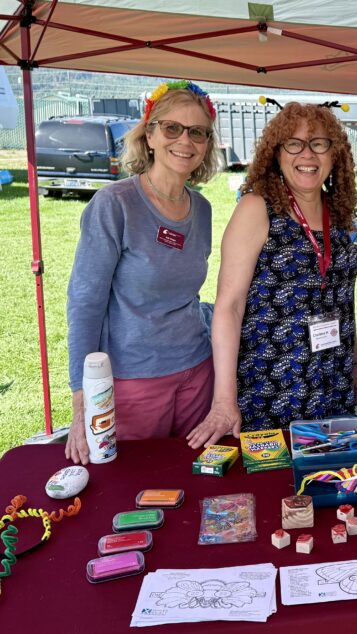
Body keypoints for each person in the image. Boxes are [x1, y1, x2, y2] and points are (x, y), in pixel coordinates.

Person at [187, 103, 357, 448]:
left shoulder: (339, 214)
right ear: (276, 154)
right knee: (276, 490)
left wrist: (355, 364)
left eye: (319, 144)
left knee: (330, 483)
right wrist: (224, 400)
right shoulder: (257, 208)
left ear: (334, 153)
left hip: (333, 380)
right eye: (293, 144)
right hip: (274, 384)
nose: (307, 154)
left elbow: (344, 298)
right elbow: (229, 306)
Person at [65, 80, 220, 464]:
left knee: (195, 483)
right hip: (134, 381)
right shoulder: (115, 204)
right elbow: (85, 302)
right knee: (135, 485)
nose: (185, 140)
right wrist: (81, 399)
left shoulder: (201, 209)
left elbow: (189, 295)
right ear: (149, 135)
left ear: (206, 145)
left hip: (198, 372)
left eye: (197, 132)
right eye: (172, 128)